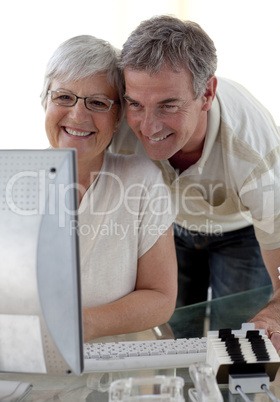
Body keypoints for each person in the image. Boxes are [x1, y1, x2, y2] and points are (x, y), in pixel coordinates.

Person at [110, 15, 280, 349]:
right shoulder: (118, 126)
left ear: (206, 94)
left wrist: (273, 313)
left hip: (240, 234)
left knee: (234, 341)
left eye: (167, 106)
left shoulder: (254, 153)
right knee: (174, 336)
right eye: (136, 104)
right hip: (171, 226)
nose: (148, 126)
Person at [40, 34, 177, 343]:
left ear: (118, 118)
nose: (77, 115)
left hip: (112, 378)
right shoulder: (9, 179)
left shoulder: (142, 181)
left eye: (98, 103)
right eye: (63, 97)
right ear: (45, 100)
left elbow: (160, 297)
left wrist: (79, 325)